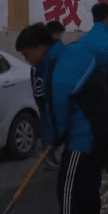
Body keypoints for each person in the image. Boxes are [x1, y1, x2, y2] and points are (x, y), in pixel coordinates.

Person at [15, 23, 108, 214]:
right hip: (101, 127)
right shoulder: (73, 52)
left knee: (68, 187)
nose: (27, 60)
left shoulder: (60, 68)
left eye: (27, 54)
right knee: (89, 182)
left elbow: (59, 111)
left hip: (84, 134)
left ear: (40, 47)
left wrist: (53, 139)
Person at [77, 3, 108, 181]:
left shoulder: (82, 41)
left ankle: (104, 166)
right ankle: (97, 172)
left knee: (89, 133)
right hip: (107, 101)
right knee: (102, 135)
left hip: (82, 100)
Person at [36, 21, 67, 170]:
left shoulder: (44, 51)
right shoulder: (58, 51)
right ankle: (50, 156)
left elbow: (37, 79)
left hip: (47, 97)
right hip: (55, 97)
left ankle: (49, 155)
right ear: (56, 34)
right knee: (54, 127)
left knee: (49, 126)